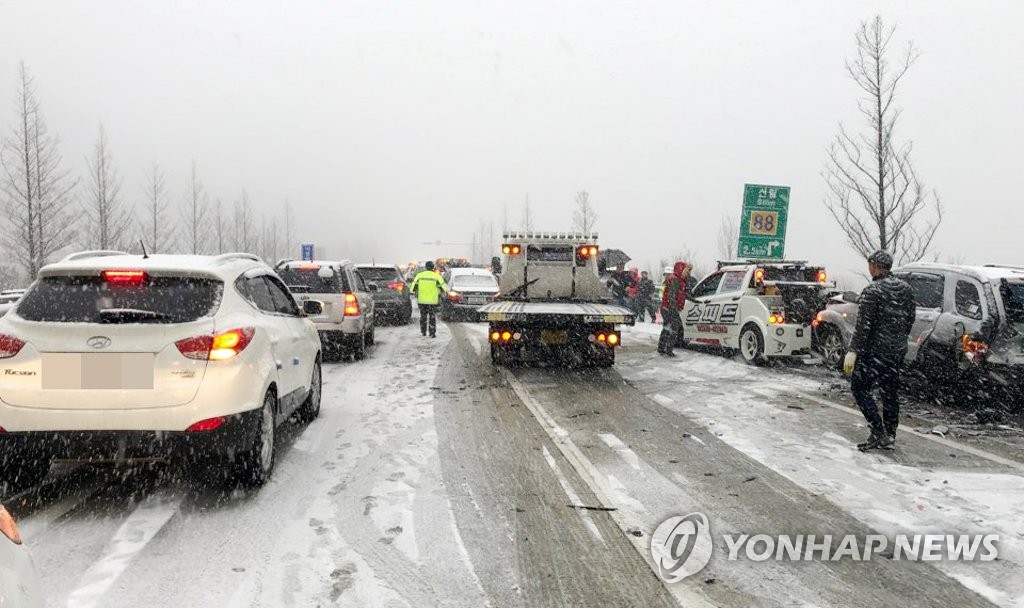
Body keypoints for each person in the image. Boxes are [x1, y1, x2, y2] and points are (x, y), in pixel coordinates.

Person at [843, 250, 916, 451]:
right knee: (890, 392)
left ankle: (878, 431)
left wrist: (853, 350)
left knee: (859, 388)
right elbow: (910, 319)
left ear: (874, 266)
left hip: (874, 351)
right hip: (896, 351)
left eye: (870, 264)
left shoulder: (872, 291)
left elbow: (863, 326)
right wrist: (898, 340)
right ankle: (890, 435)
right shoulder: (906, 289)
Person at [658, 261, 690, 356]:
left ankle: (661, 348)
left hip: (667, 307)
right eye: (687, 270)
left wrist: (693, 299)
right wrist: (674, 311)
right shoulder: (675, 280)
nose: (688, 273)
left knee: (667, 328)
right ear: (681, 270)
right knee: (674, 328)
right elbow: (671, 297)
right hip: (669, 308)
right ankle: (668, 350)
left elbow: (682, 294)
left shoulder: (680, 280)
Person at [410, 261, 449, 338]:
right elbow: (444, 288)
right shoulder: (437, 276)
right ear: (433, 267)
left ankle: (423, 331)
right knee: (432, 316)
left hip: (422, 300)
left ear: (426, 267)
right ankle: (432, 333)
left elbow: (412, 289)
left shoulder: (419, 276)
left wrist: (415, 291)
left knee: (423, 316)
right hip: (433, 301)